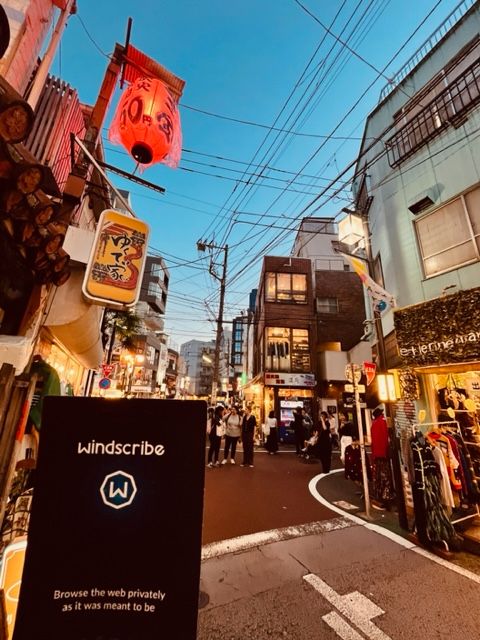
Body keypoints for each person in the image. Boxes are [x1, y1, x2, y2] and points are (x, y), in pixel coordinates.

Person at [370, 406, 395, 510]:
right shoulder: (383, 423)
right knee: (386, 477)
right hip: (385, 454)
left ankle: (380, 497)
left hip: (377, 454)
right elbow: (386, 438)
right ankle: (387, 498)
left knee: (379, 477)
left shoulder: (374, 424)